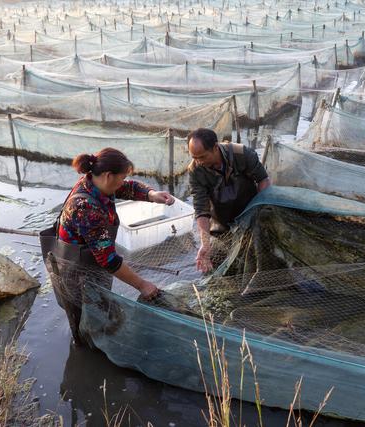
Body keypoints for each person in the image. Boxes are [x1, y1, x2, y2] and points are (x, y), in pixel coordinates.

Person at [40, 148, 175, 344]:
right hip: (75, 274)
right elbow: (108, 260)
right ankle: (84, 352)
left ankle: (98, 342)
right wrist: (142, 285)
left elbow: (127, 187)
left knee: (101, 314)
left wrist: (152, 194)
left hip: (92, 264)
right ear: (108, 175)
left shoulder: (97, 182)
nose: (122, 183)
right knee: (83, 322)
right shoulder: (85, 207)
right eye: (120, 178)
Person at [187, 128, 271, 273]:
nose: (198, 162)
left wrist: (258, 212)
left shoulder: (242, 154)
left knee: (257, 257)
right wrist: (205, 244)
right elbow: (201, 209)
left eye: (201, 157)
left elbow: (263, 180)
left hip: (249, 214)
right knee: (215, 264)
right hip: (221, 224)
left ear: (215, 147)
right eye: (194, 157)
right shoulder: (195, 170)